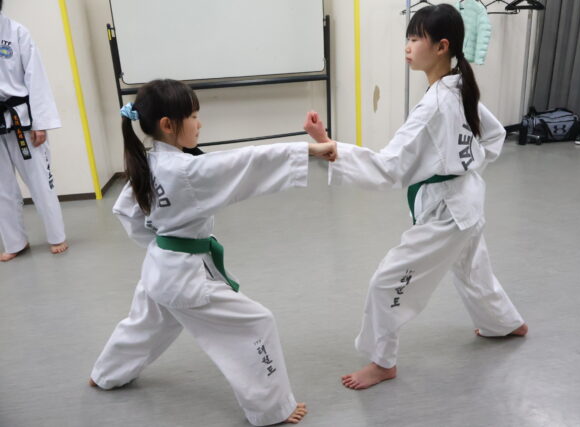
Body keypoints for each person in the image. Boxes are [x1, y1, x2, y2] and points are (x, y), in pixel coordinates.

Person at [304, 4, 527, 391]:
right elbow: (494, 136)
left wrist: (329, 147)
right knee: (473, 270)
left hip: (449, 212)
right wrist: (469, 165)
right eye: (407, 38)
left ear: (441, 47)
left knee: (387, 282)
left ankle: (382, 362)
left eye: (415, 39)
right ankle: (506, 324)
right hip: (467, 201)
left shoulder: (437, 103)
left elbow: (388, 167)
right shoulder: (459, 86)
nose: (407, 47)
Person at [90, 79, 336, 425]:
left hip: (159, 269)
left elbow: (126, 213)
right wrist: (308, 151)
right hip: (184, 280)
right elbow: (247, 161)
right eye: (193, 117)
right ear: (168, 125)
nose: (199, 124)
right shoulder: (186, 170)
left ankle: (105, 374)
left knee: (143, 325)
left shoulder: (146, 163)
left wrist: (161, 245)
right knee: (257, 323)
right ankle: (271, 409)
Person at [0, 0, 68, 261]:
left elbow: (36, 78)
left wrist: (40, 123)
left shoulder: (17, 32)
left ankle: (56, 235)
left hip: (21, 120)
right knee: (2, 187)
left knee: (40, 181)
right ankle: (15, 242)